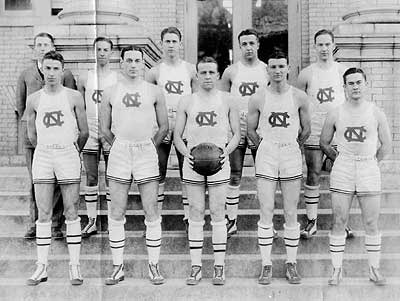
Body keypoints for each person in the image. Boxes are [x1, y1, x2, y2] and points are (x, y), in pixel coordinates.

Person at [100, 46, 168, 285]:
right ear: (121, 63)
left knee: (151, 211)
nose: (132, 64)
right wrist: (120, 145)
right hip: (120, 151)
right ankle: (118, 267)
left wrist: (148, 146)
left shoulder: (154, 91)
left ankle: (154, 266)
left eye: (137, 60)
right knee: (116, 212)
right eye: (128, 60)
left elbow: (163, 127)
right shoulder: (110, 92)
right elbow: (105, 129)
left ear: (143, 64)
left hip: (146, 151)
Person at [320, 67, 391, 286]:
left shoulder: (376, 112)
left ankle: (374, 269)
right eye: (350, 83)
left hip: (368, 167)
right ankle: (337, 270)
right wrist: (340, 158)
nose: (355, 87)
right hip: (344, 168)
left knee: (371, 221)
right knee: (339, 220)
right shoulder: (336, 112)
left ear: (366, 84)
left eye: (359, 82)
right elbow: (324, 142)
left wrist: (372, 162)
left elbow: (386, 144)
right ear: (344, 87)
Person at [174, 56, 240, 286]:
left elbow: (237, 135)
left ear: (218, 74)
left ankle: (219, 266)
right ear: (197, 75)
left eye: (212, 72)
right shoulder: (186, 101)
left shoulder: (228, 100)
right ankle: (196, 266)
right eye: (203, 73)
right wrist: (186, 155)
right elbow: (177, 137)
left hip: (219, 162)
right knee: (195, 211)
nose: (208, 76)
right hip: (193, 163)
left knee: (218, 211)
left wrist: (225, 152)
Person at [25, 51, 89, 285]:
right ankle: (41, 267)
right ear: (42, 69)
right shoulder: (34, 99)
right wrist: (45, 149)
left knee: (71, 211)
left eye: (55, 69)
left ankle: (75, 266)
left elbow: (84, 132)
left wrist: (72, 152)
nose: (51, 73)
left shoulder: (73, 97)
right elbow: (32, 134)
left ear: (62, 70)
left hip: (67, 153)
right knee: (44, 213)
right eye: (47, 68)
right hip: (43, 154)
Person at [247, 50, 310, 285]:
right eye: (272, 67)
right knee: (266, 210)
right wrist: (263, 146)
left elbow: (306, 129)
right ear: (267, 70)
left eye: (281, 66)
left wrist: (293, 146)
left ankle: (291, 263)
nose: (277, 71)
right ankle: (266, 265)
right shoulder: (258, 97)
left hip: (290, 152)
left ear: (288, 68)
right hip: (267, 152)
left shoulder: (300, 97)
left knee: (291, 211)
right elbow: (251, 130)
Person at [16, 32, 77, 239]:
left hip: (59, 140)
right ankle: (35, 222)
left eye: (46, 45)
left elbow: (71, 107)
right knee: (36, 181)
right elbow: (21, 106)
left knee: (60, 181)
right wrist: (32, 135)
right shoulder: (25, 74)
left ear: (53, 47)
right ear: (34, 49)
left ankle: (56, 223)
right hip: (33, 140)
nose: (42, 48)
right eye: (39, 45)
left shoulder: (65, 75)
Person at [296, 29, 353, 239]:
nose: (324, 48)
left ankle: (342, 222)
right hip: (315, 129)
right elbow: (299, 105)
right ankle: (312, 221)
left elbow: (352, 102)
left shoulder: (342, 71)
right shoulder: (307, 74)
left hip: (338, 132)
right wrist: (302, 129)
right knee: (313, 174)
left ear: (333, 45)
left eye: (327, 44)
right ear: (314, 47)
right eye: (320, 44)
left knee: (342, 176)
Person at [219, 28, 269, 237]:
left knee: (265, 174)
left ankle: (266, 222)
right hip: (237, 125)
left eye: (252, 43)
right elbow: (221, 100)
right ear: (239, 47)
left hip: (260, 125)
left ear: (258, 45)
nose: (248, 47)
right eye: (244, 44)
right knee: (235, 172)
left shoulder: (267, 69)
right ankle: (231, 219)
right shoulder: (231, 71)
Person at [146, 27, 197, 229]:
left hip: (184, 127)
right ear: (161, 44)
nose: (171, 45)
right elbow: (147, 102)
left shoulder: (190, 69)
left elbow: (197, 100)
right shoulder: (154, 72)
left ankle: (188, 217)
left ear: (180, 43)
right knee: (158, 171)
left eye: (174, 41)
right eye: (167, 41)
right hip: (160, 126)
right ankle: (155, 218)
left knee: (188, 171)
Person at [78, 37, 118, 238]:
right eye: (98, 49)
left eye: (105, 49)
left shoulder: (117, 78)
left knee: (112, 177)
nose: (101, 53)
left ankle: (112, 219)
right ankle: (92, 220)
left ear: (111, 53)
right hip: (91, 131)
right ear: (93, 52)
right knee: (91, 176)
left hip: (110, 131)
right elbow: (79, 106)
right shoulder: (85, 78)